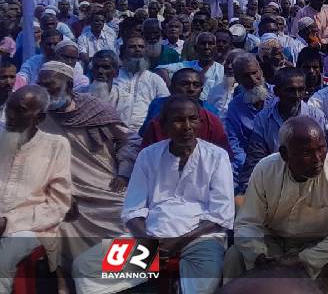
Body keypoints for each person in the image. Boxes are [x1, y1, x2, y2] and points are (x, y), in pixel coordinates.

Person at [73, 95, 235, 294]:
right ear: (164, 125)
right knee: (85, 267)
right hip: (151, 238)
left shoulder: (217, 156)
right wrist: (150, 243)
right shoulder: (148, 155)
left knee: (203, 286)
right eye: (178, 120)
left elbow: (221, 215)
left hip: (200, 239)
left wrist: (175, 243)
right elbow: (133, 209)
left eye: (193, 119)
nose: (187, 126)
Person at [226, 116, 328, 293]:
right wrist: (259, 255)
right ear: (284, 154)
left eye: (322, 149)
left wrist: (305, 259)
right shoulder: (265, 169)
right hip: (273, 242)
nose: (317, 159)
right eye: (307, 153)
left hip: (320, 245)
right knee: (234, 256)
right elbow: (247, 223)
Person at [36, 60, 140, 268]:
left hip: (105, 184)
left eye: (51, 85)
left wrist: (123, 172)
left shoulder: (93, 108)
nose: (45, 91)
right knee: (62, 222)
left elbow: (132, 139)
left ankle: (136, 272)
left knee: (126, 217)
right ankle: (80, 276)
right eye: (41, 85)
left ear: (70, 86)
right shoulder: (37, 115)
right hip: (66, 189)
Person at [0, 85, 71, 294]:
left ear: (39, 118)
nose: (10, 116)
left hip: (31, 226)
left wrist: (8, 222)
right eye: (8, 109)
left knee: (4, 259)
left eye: (20, 110)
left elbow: (57, 206)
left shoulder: (57, 145)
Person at [238, 67, 326, 193]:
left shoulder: (316, 117)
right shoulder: (263, 119)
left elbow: (322, 157)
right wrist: (248, 188)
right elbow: (256, 157)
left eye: (300, 90)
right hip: (273, 183)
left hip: (310, 183)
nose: (296, 96)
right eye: (290, 90)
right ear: (277, 91)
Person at [225, 53, 273, 183]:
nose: (252, 80)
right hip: (248, 164)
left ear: (261, 71)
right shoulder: (235, 107)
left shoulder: (278, 96)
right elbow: (234, 143)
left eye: (254, 73)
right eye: (246, 76)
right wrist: (252, 166)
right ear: (237, 79)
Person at [109, 35, 171, 130]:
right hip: (114, 129)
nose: (137, 49)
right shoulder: (113, 76)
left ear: (146, 51)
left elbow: (164, 105)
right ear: (124, 51)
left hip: (145, 131)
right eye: (132, 47)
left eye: (141, 47)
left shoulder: (155, 79)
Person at [157, 32, 224, 101]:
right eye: (202, 44)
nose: (206, 47)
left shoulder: (222, 70)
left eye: (210, 44)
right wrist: (172, 91)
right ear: (195, 48)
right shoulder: (187, 66)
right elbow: (160, 69)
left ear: (215, 49)